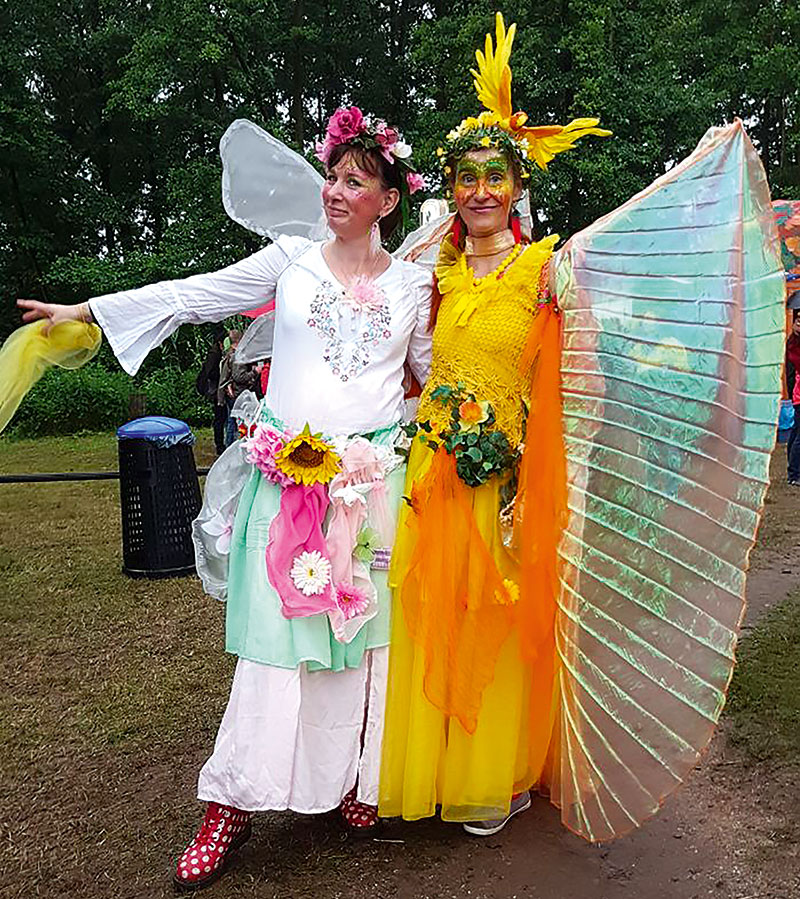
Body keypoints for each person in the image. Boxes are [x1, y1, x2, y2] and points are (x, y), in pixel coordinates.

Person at [378, 13, 785, 844]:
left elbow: (623, 257)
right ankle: (440, 764)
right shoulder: (436, 270)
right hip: (432, 468)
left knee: (496, 613)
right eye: (466, 176)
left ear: (518, 187)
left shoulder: (547, 266)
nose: (480, 190)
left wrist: (704, 165)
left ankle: (493, 772)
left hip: (506, 471)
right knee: (431, 611)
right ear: (451, 186)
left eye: (496, 175)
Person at [18, 106, 431, 890]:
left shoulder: (415, 285)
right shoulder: (290, 260)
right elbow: (193, 294)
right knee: (275, 646)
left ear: (388, 200)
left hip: (374, 490)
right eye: (332, 178)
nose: (336, 192)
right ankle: (231, 804)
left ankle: (351, 781)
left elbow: (434, 378)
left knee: (362, 645)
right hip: (289, 486)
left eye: (355, 181)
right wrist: (89, 312)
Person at [195, 329, 227, 455]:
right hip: (216, 390)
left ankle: (220, 443)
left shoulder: (215, 353)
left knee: (220, 418)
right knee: (220, 418)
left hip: (216, 389)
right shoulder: (214, 355)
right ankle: (219, 444)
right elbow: (210, 373)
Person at [785, 312, 800, 485]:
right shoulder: (793, 343)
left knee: (796, 432)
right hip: (798, 394)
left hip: (796, 394)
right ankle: (794, 473)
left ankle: (793, 470)